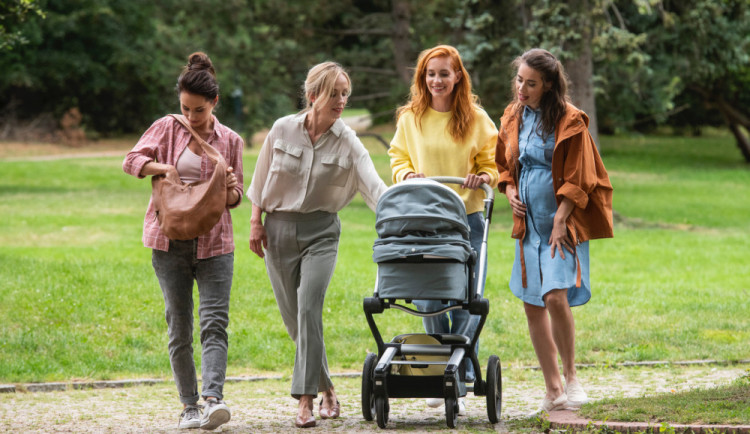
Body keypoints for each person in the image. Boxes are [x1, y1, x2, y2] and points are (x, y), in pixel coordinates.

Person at [247, 61, 387, 428]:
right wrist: (254, 224)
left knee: (309, 309)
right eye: (335, 94)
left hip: (322, 232)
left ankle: (304, 401)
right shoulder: (282, 130)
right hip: (277, 230)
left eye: (346, 94)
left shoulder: (349, 142)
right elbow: (260, 181)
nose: (342, 101)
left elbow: (375, 188)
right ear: (313, 96)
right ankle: (327, 387)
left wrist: (403, 209)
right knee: (296, 322)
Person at [122, 52, 243, 430]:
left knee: (215, 325)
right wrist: (164, 167)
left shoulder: (231, 141)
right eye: (186, 108)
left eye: (199, 110)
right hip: (168, 240)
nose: (192, 117)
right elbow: (131, 161)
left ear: (215, 103)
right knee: (179, 327)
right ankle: (188, 405)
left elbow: (235, 199)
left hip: (215, 244)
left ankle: (212, 400)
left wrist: (230, 191)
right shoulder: (166, 128)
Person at [494, 48, 613, 416]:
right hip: (528, 227)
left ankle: (572, 376)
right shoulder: (513, 116)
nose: (521, 89)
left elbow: (581, 176)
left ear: (547, 85)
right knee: (533, 304)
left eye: (530, 83)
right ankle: (552, 389)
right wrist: (510, 191)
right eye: (519, 81)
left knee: (555, 297)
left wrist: (562, 217)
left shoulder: (570, 119)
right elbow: (504, 164)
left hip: (560, 224)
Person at [388, 44, 499, 415]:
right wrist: (407, 174)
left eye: (444, 74)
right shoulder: (410, 118)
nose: (437, 80)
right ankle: (435, 370)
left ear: (457, 77)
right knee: (428, 296)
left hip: (467, 217)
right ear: (423, 77)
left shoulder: (477, 118)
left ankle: (463, 372)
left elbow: (492, 165)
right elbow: (398, 157)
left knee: (468, 297)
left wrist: (481, 175)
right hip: (426, 219)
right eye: (431, 74)